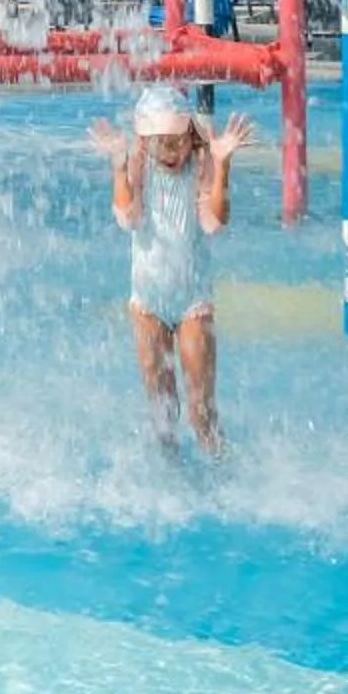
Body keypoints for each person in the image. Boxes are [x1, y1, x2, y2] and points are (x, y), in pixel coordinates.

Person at [90, 85, 255, 458]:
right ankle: (172, 474)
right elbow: (128, 218)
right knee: (162, 412)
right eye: (161, 144)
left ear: (189, 134)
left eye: (177, 143)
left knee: (201, 411)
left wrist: (223, 164)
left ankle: (221, 472)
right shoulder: (139, 161)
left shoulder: (201, 162)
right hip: (147, 303)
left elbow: (215, 222)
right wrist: (118, 167)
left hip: (192, 300)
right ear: (145, 142)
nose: (171, 153)